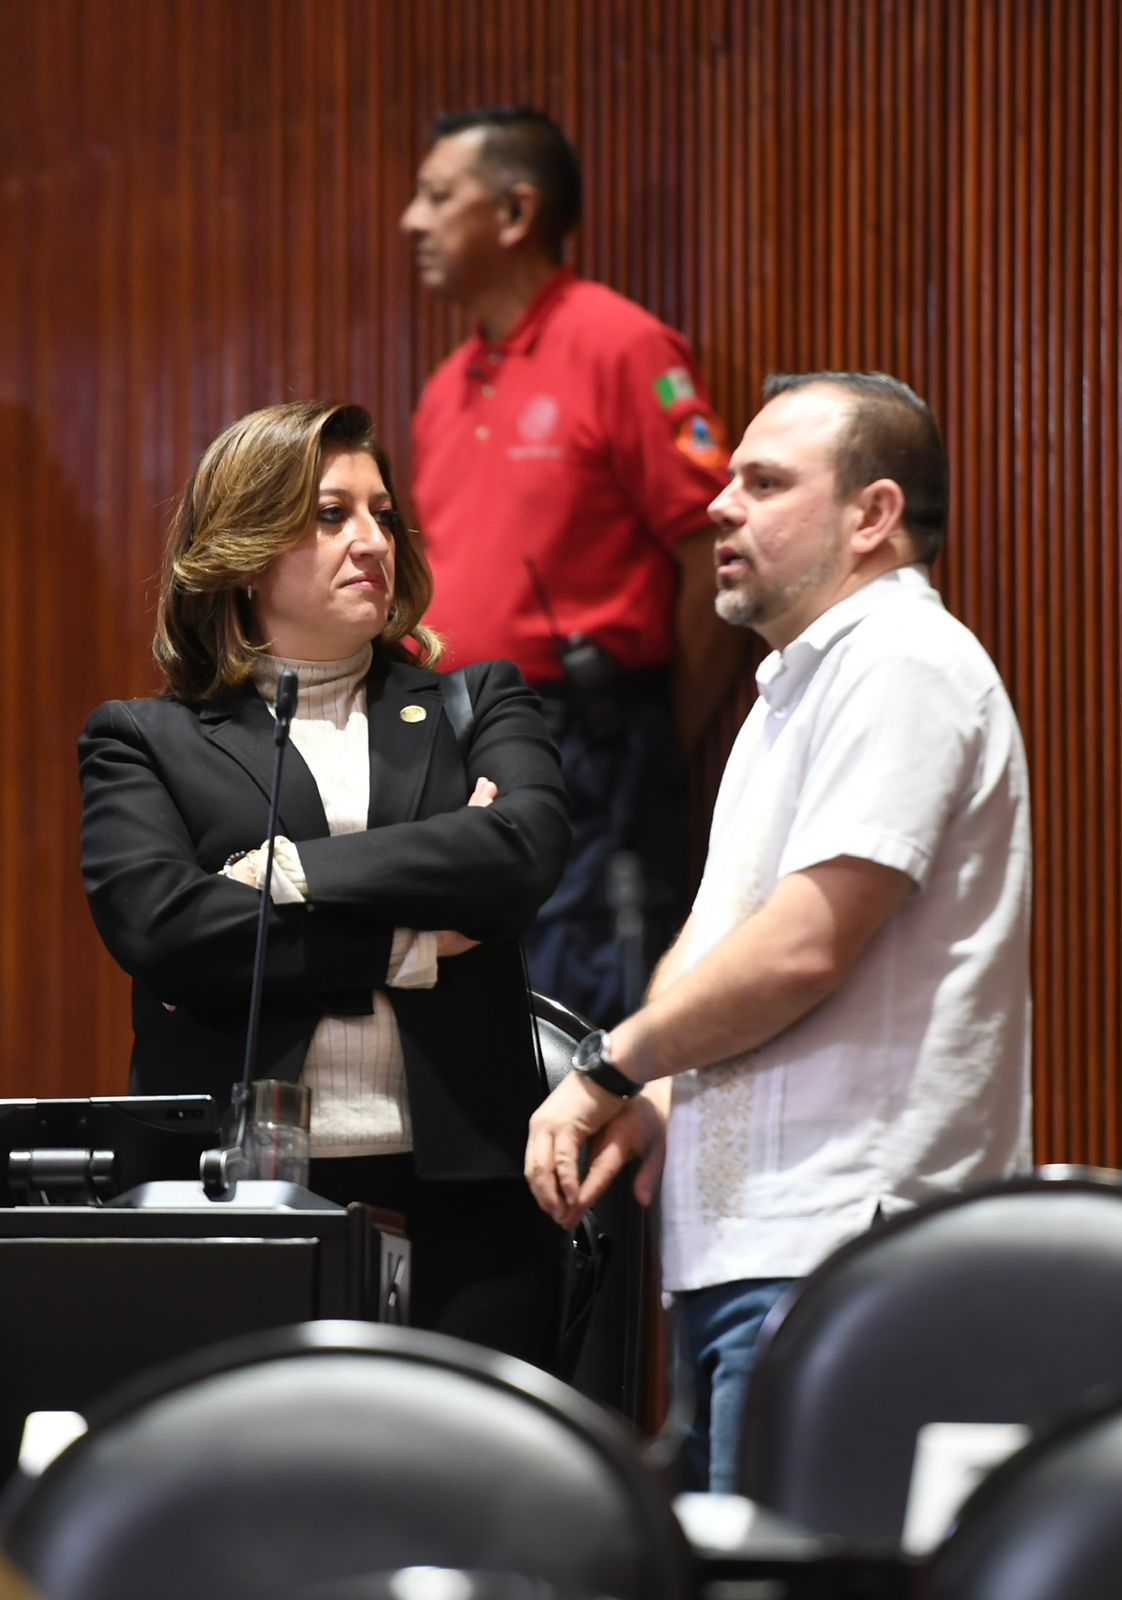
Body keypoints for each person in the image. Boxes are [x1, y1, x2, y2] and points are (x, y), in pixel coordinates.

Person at [525, 372, 1032, 1487]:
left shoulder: (902, 661)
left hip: (846, 1249)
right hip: (754, 1249)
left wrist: (611, 1065)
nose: (720, 505)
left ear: (872, 514)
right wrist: (664, 1092)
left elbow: (804, 945)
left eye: (763, 483)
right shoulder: (793, 689)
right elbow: (723, 930)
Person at [79, 399, 571, 1369]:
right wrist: (409, 942)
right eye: (331, 516)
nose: (373, 541)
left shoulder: (478, 703)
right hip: (228, 1192)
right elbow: (165, 929)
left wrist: (290, 872)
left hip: (468, 1203)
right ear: (246, 551)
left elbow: (520, 851)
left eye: (382, 514)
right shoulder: (145, 740)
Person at [401, 106, 743, 1026]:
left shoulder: (621, 347)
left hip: (589, 747)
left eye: (438, 196)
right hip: (456, 745)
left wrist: (652, 738)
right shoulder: (445, 386)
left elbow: (710, 550)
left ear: (516, 213)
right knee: (473, 1013)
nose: (412, 220)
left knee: (585, 1020)